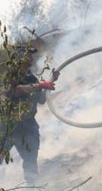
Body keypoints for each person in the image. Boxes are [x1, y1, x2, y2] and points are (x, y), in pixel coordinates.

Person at [0, 45, 58, 184]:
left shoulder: (31, 78)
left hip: (27, 126)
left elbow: (41, 100)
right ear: (19, 57)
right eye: (27, 54)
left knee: (30, 160)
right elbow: (18, 90)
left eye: (31, 54)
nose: (31, 57)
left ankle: (32, 186)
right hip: (8, 124)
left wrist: (51, 81)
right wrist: (42, 85)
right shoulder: (11, 74)